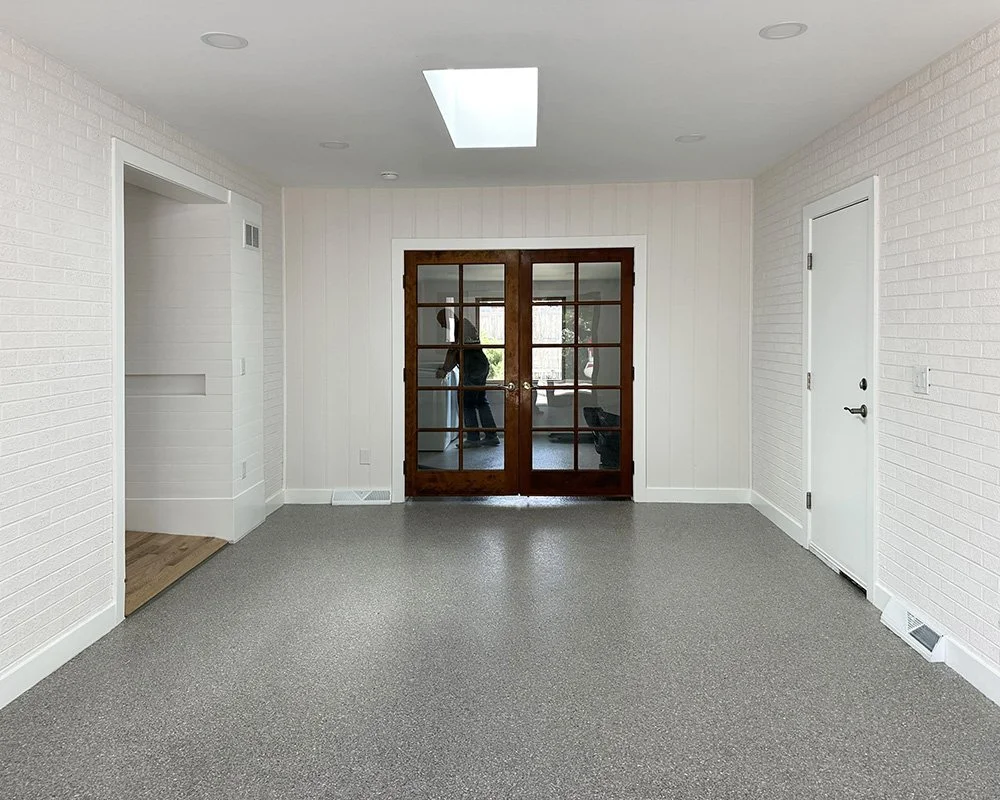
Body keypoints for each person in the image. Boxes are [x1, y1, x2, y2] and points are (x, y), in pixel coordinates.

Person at [435, 309, 500, 447]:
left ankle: (473, 438)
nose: (441, 326)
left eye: (442, 323)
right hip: (480, 366)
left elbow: (453, 351)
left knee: (466, 403)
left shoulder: (459, 328)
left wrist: (444, 370)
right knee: (481, 401)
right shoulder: (465, 325)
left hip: (472, 369)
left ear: (448, 319)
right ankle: (491, 435)